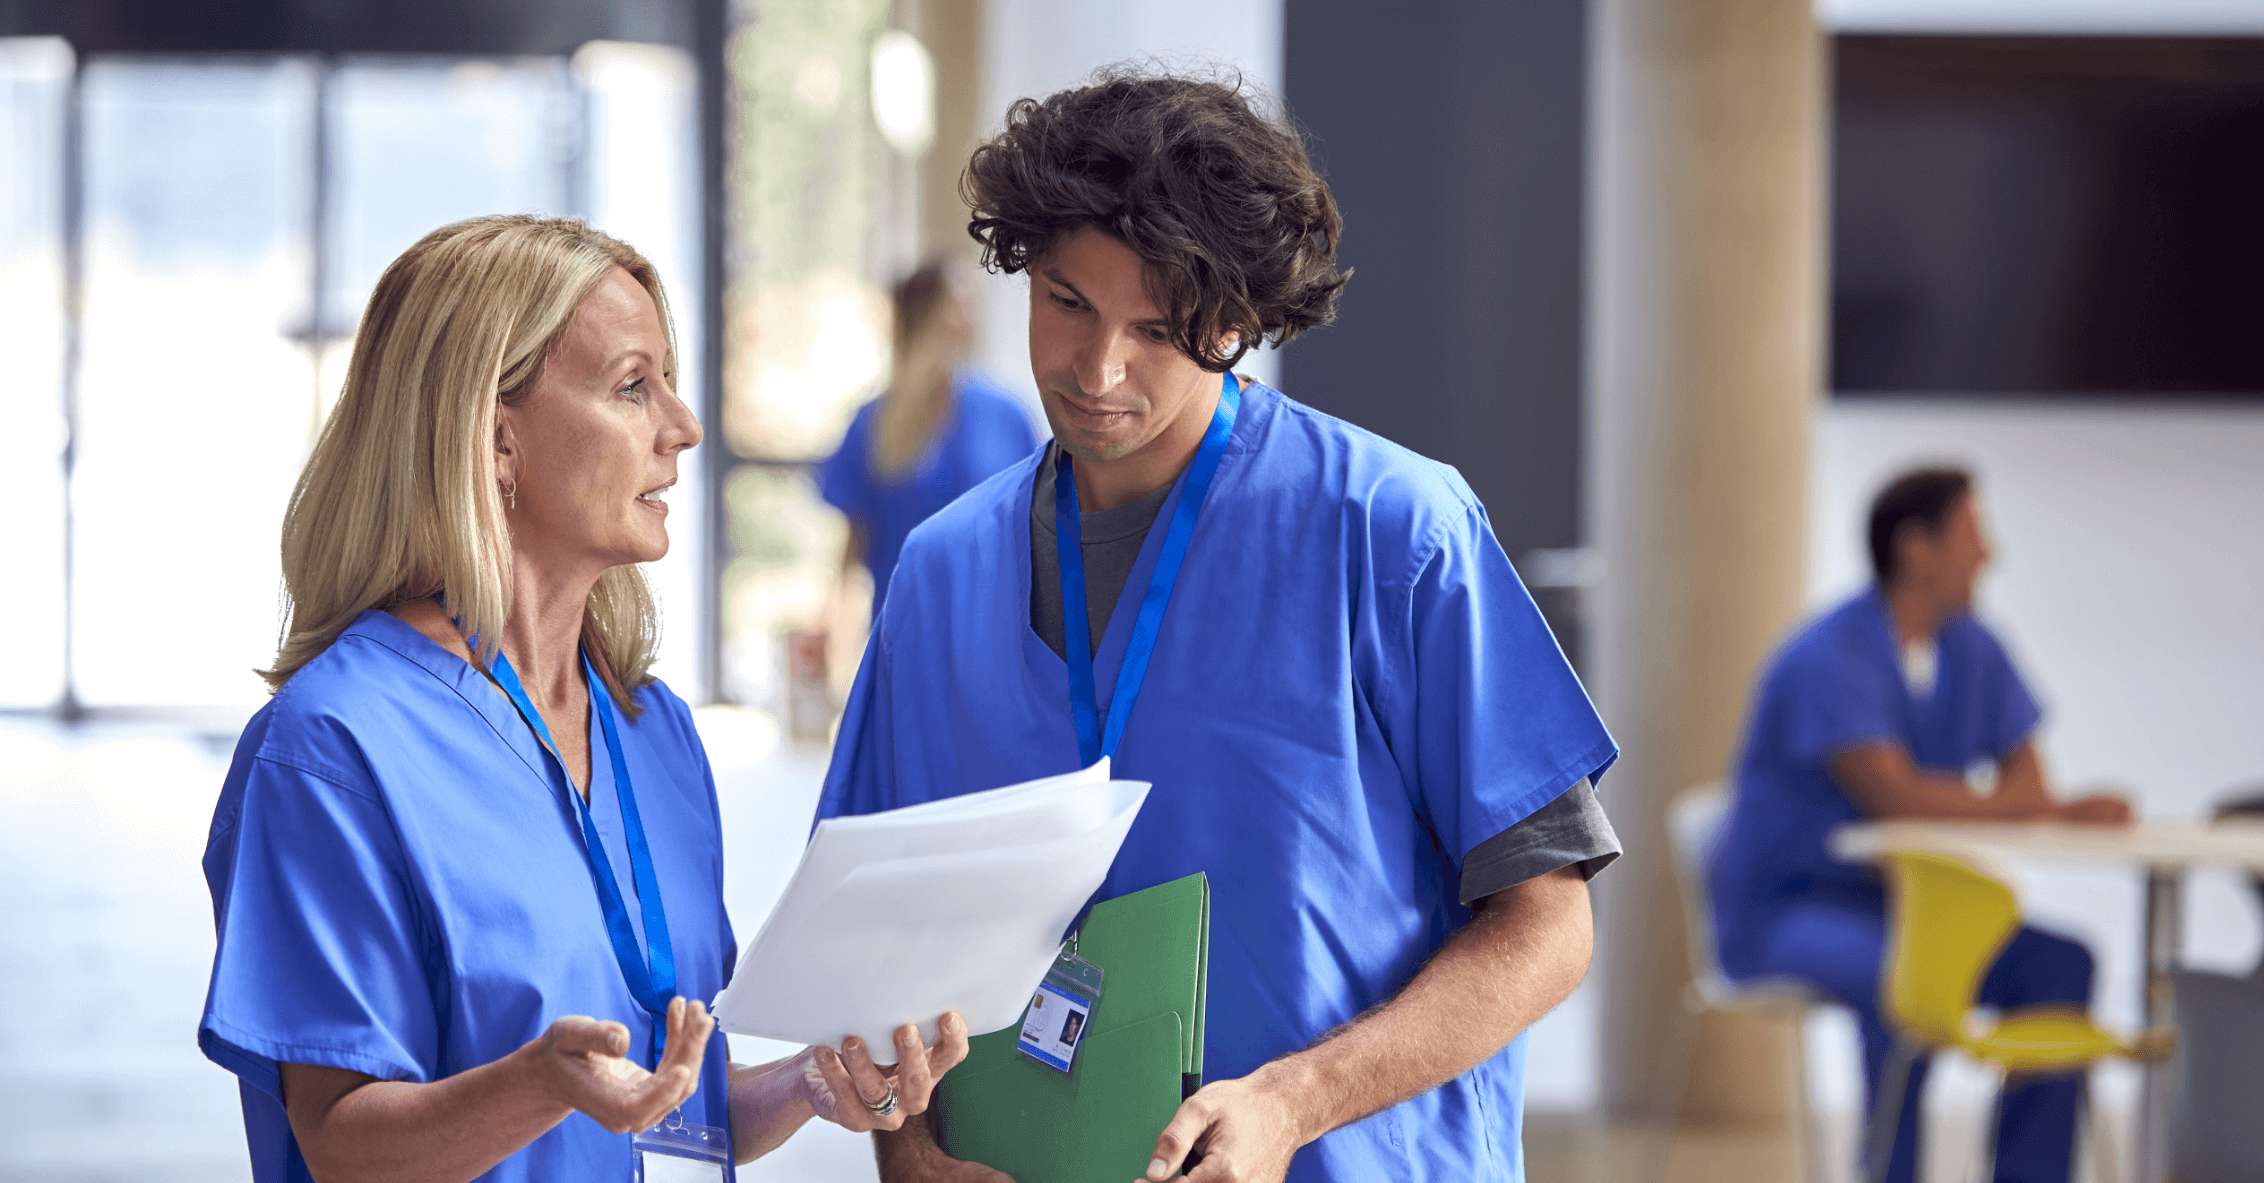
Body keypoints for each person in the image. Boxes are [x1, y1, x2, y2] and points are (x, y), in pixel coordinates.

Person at [816, 72, 1621, 1183]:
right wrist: (906, 1151)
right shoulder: (941, 572)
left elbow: (1547, 926)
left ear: (1240, 320)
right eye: (1064, 302)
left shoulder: (1392, 532)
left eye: (1157, 328)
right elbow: (875, 946)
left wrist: (1296, 1098)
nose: (1097, 371)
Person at [198, 215, 967, 1183]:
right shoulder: (333, 747)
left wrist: (807, 1085)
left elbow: (660, 1112)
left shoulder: (657, 733)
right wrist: (539, 1082)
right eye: (632, 386)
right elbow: (346, 1145)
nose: (683, 428)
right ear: (494, 436)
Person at [1706, 466, 2133, 1183]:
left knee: (2062, 964)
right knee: (1901, 981)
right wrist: (2040, 809)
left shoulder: (1972, 646)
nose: (1989, 555)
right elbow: (1896, 800)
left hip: (1901, 913)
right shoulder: (1827, 655)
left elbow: (2028, 777)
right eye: (1972, 534)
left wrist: (2030, 802)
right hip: (1787, 910)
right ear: (1918, 548)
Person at [817, 261, 1043, 617]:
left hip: (989, 624)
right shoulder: (872, 423)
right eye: (954, 304)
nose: (968, 316)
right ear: (920, 317)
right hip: (901, 621)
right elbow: (855, 536)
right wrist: (831, 618)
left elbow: (1038, 531)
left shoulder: (1006, 416)